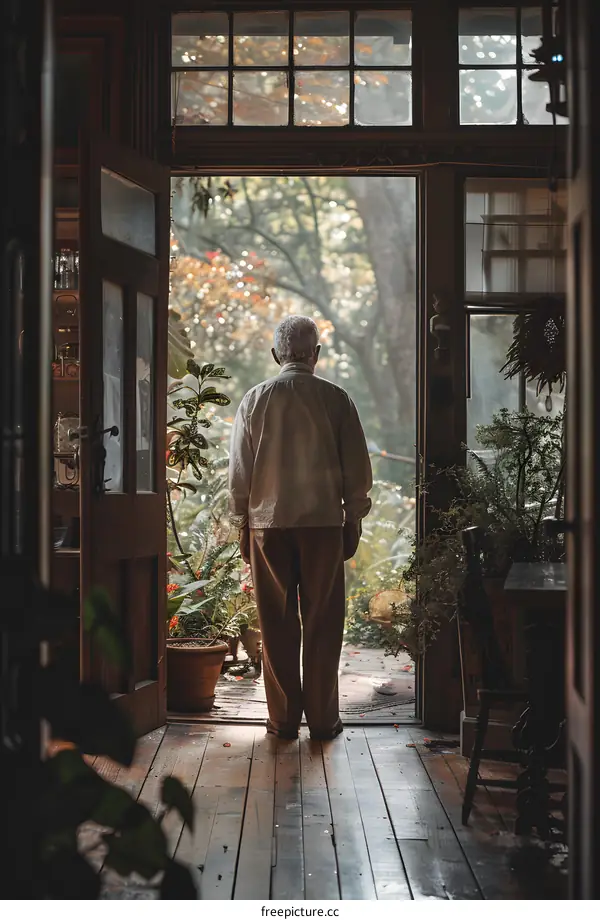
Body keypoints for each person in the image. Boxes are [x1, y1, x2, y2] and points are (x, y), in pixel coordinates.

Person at [228, 315, 372, 741]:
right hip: (323, 523)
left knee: (275, 623)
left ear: (276, 355)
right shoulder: (337, 400)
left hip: (267, 526)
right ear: (317, 355)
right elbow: (357, 470)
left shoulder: (255, 400)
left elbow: (240, 473)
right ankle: (325, 720)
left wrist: (242, 521)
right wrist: (353, 516)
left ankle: (284, 719)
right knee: (324, 621)